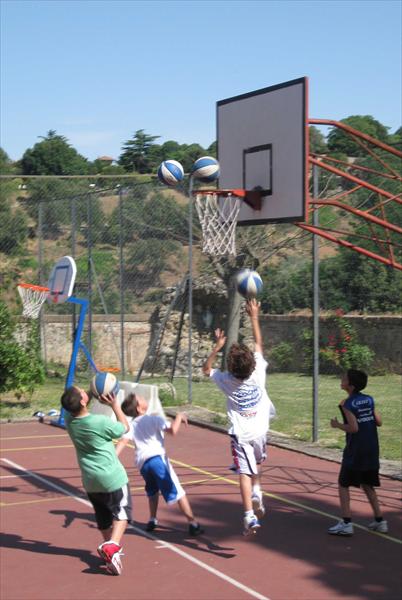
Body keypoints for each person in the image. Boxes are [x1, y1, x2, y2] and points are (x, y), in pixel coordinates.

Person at [202, 297, 275, 536]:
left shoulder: (226, 381)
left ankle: (249, 516)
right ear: (252, 365)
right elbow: (259, 343)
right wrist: (254, 316)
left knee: (243, 471)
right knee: (258, 464)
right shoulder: (258, 374)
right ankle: (257, 492)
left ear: (231, 368)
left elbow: (206, 370)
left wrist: (216, 348)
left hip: (241, 435)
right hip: (260, 431)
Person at [60, 385, 131, 575]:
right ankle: (112, 546)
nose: (84, 390)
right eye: (82, 391)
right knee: (122, 514)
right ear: (83, 401)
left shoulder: (69, 420)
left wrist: (93, 390)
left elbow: (77, 401)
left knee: (104, 519)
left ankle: (110, 558)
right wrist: (115, 405)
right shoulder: (98, 422)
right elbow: (124, 428)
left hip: (90, 480)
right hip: (112, 478)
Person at [115, 394, 204, 537]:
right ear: (139, 407)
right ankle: (193, 524)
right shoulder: (154, 419)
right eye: (141, 398)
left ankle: (152, 519)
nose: (145, 399)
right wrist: (179, 417)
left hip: (143, 465)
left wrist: (112, 457)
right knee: (178, 491)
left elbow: (123, 442)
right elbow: (173, 431)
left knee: (152, 490)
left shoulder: (131, 425)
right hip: (157, 460)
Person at [328, 369, 388, 536]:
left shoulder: (348, 404)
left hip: (356, 450)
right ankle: (380, 521)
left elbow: (353, 428)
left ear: (351, 386)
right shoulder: (369, 399)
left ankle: (346, 523)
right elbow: (379, 422)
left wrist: (337, 425)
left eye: (344, 378)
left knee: (343, 484)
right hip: (372, 448)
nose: (341, 379)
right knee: (368, 484)